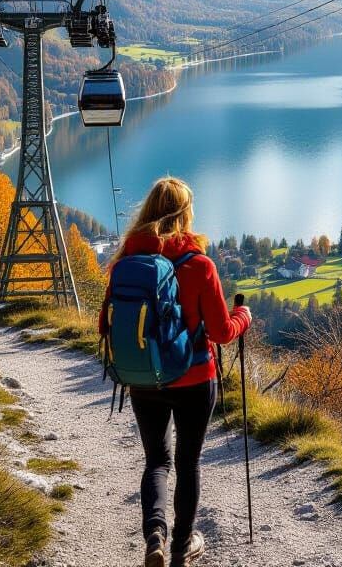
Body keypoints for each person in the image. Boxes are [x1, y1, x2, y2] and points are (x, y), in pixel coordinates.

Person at [100, 177, 252, 567]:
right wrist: (243, 318)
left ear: (149, 210)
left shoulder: (125, 264)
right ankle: (183, 546)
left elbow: (105, 324)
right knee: (188, 462)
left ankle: (155, 536)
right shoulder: (199, 265)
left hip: (143, 378)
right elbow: (220, 332)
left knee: (156, 462)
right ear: (186, 213)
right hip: (194, 379)